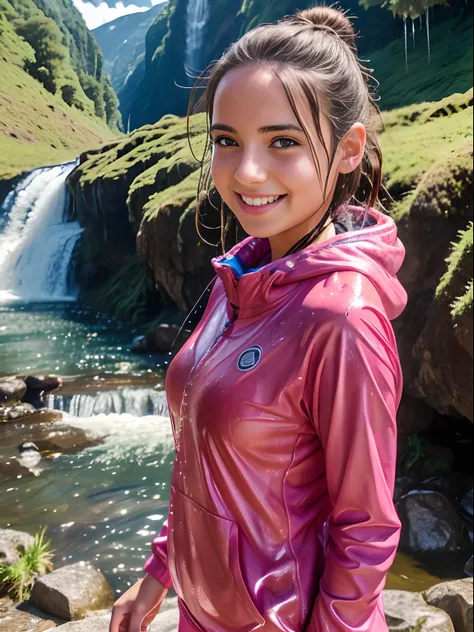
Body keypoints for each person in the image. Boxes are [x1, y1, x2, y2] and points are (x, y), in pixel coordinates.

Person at [109, 6, 407, 632]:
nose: (245, 172)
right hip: (203, 611)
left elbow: (368, 531)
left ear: (348, 150)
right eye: (225, 141)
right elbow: (200, 455)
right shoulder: (238, 278)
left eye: (282, 141)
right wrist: (158, 575)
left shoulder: (341, 318)